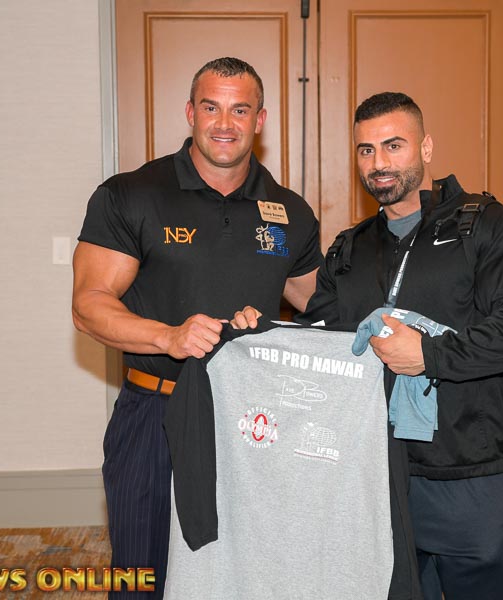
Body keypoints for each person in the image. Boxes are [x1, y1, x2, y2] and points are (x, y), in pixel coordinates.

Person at [297, 92, 503, 599]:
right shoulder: (350, 249)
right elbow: (321, 343)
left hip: (470, 476)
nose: (379, 162)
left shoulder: (493, 228)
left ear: (425, 148)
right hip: (375, 478)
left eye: (393, 145)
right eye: (366, 150)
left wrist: (430, 355)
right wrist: (254, 331)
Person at [72, 57, 321, 598]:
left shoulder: (291, 212)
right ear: (190, 113)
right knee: (142, 575)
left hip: (253, 421)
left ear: (260, 120)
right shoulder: (131, 195)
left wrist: (272, 329)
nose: (224, 123)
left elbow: (323, 313)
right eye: (211, 107)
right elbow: (89, 305)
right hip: (155, 414)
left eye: (240, 110)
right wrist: (169, 336)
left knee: (248, 575)